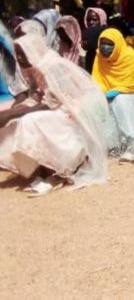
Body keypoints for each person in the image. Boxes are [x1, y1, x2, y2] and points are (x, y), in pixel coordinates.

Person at [0, 33, 109, 196]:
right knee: (15, 122)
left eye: (22, 53)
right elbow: (38, 97)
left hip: (74, 111)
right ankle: (40, 170)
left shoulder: (53, 67)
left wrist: (14, 114)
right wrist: (10, 113)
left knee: (31, 121)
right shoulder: (37, 67)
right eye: (17, 54)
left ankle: (55, 174)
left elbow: (56, 101)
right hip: (60, 108)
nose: (19, 58)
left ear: (33, 50)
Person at [92, 28, 134, 162]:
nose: (105, 47)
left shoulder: (130, 57)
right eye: (102, 44)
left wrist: (115, 91)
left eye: (109, 44)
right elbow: (98, 79)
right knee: (96, 102)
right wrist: (102, 93)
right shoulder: (99, 58)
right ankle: (111, 145)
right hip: (115, 88)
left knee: (120, 101)